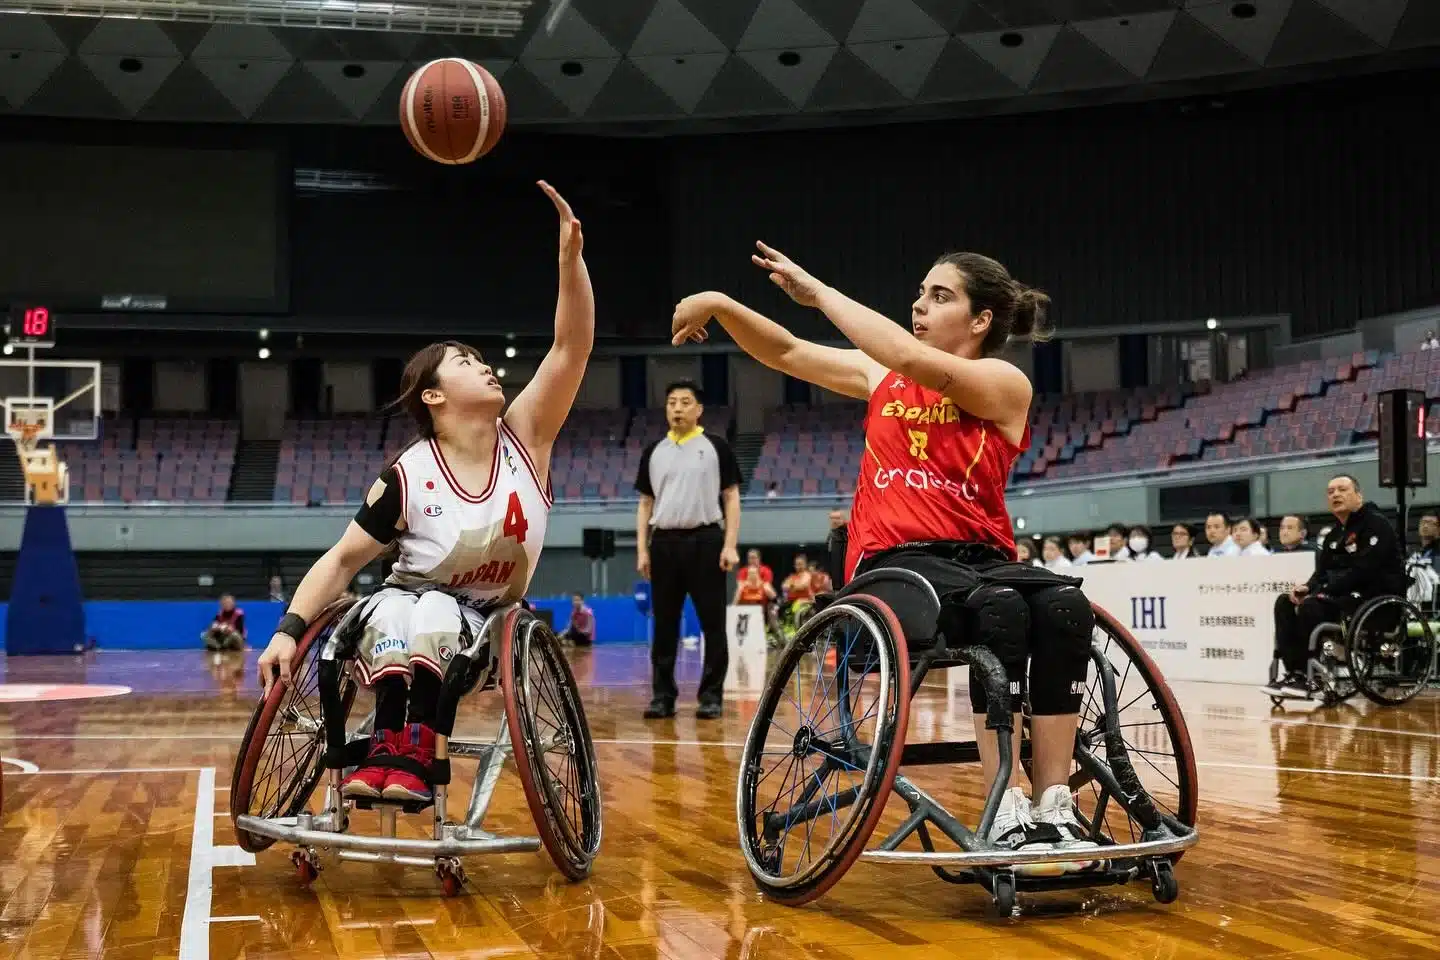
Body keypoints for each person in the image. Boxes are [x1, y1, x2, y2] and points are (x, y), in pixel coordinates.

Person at [672, 245, 1100, 875]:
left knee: (1065, 604)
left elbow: (908, 355)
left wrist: (818, 290)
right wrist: (722, 303)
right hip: (897, 565)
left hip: (980, 555)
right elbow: (787, 352)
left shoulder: (1007, 383)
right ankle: (1006, 802)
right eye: (920, 293)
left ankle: (1053, 802)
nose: (919, 305)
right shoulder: (881, 377)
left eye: (939, 296)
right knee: (1001, 612)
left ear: (981, 321)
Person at [256, 181, 593, 804]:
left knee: (436, 611)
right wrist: (286, 630)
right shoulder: (408, 473)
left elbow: (572, 347)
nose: (486, 366)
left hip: (487, 631)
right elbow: (343, 560)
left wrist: (570, 263)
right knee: (396, 605)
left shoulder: (526, 437)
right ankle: (390, 742)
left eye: (482, 360)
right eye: (466, 362)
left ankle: (421, 751)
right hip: (398, 620)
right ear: (432, 395)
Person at [635, 380, 742, 720]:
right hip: (664, 543)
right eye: (671, 403)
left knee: (712, 623)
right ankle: (662, 697)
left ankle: (711, 696)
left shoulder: (716, 446)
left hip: (706, 540)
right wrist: (642, 550)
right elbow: (645, 503)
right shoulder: (653, 451)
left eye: (684, 402)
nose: (677, 408)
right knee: (665, 624)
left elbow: (731, 497)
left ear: (699, 410)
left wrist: (730, 545)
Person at [1264, 475, 1408, 699]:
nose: (1335, 495)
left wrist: (1324, 592)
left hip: (1375, 600)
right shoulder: (1334, 535)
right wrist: (1307, 588)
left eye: (1342, 489)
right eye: (1331, 492)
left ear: (1358, 496)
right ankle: (1295, 672)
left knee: (1312, 606)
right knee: (1285, 602)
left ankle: (1310, 676)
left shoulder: (1376, 524)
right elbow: (1320, 574)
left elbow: (1365, 571)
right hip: (1342, 597)